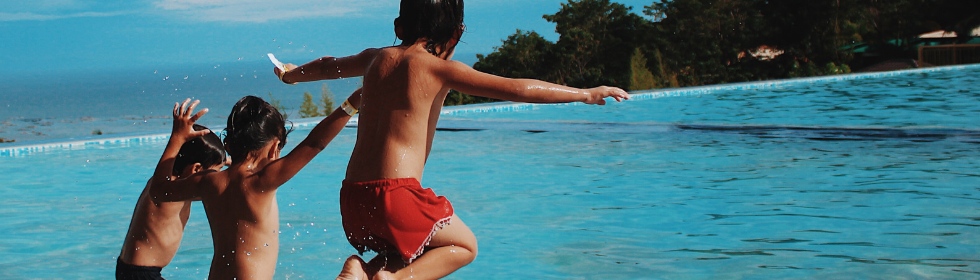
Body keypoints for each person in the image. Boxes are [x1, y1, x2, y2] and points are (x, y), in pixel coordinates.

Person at [272, 0, 631, 278]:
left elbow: (327, 65)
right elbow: (519, 89)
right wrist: (585, 93)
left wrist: (291, 76)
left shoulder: (373, 59)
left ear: (398, 26)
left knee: (406, 257)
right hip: (396, 195)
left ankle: (361, 271)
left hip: (352, 199)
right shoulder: (440, 68)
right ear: (457, 33)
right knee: (463, 246)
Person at [150, 95, 354, 279]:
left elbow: (158, 190)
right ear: (275, 148)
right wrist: (352, 104)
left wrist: (176, 139)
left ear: (227, 144)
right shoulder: (262, 180)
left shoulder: (208, 182)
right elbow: (315, 143)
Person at [116, 99, 229, 280]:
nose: (217, 176)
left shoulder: (170, 183)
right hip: (141, 274)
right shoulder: (169, 189)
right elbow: (214, 189)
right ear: (197, 169)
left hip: (134, 269)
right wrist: (176, 137)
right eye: (216, 171)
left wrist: (223, 161)